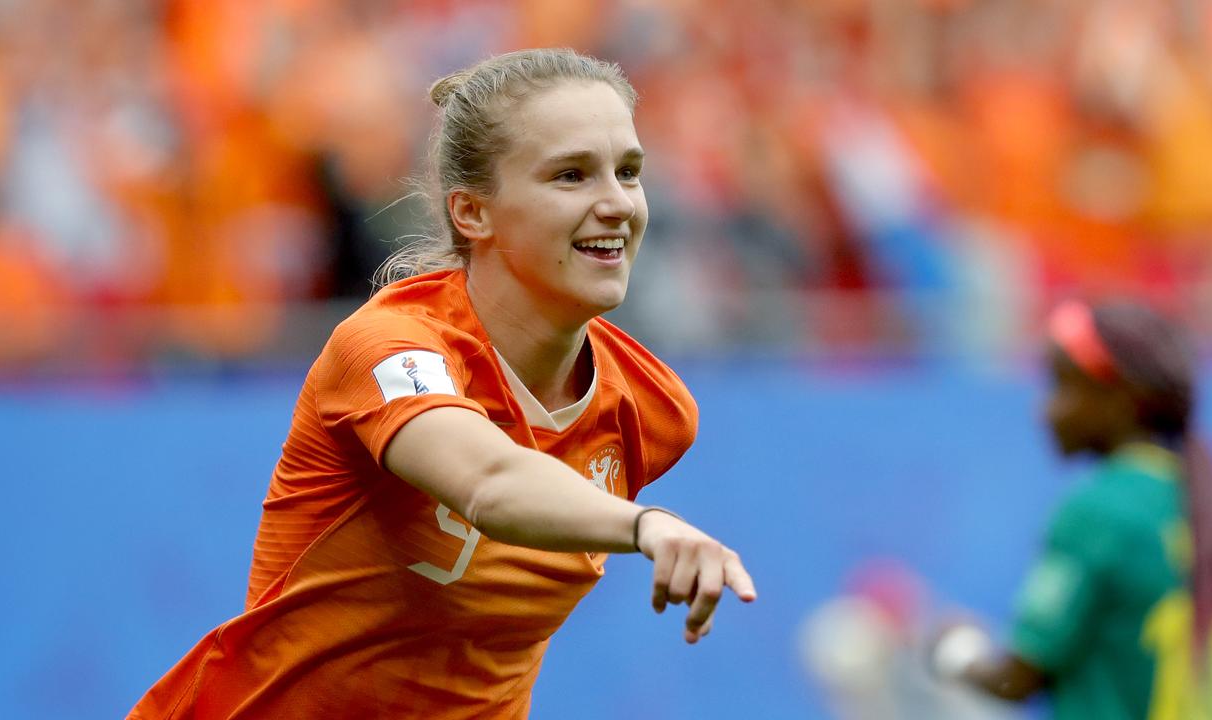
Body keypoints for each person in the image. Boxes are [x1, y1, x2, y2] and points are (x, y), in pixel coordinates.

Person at [127, 48, 756, 719]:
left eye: (628, 173)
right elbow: (489, 481)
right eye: (571, 175)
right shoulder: (387, 347)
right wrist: (647, 524)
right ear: (471, 213)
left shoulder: (651, 410)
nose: (617, 205)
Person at [929, 299, 1212, 718]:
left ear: (1125, 398)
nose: (1044, 411)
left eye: (1063, 386)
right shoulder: (1198, 504)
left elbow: (1017, 678)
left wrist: (954, 650)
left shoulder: (1097, 513)